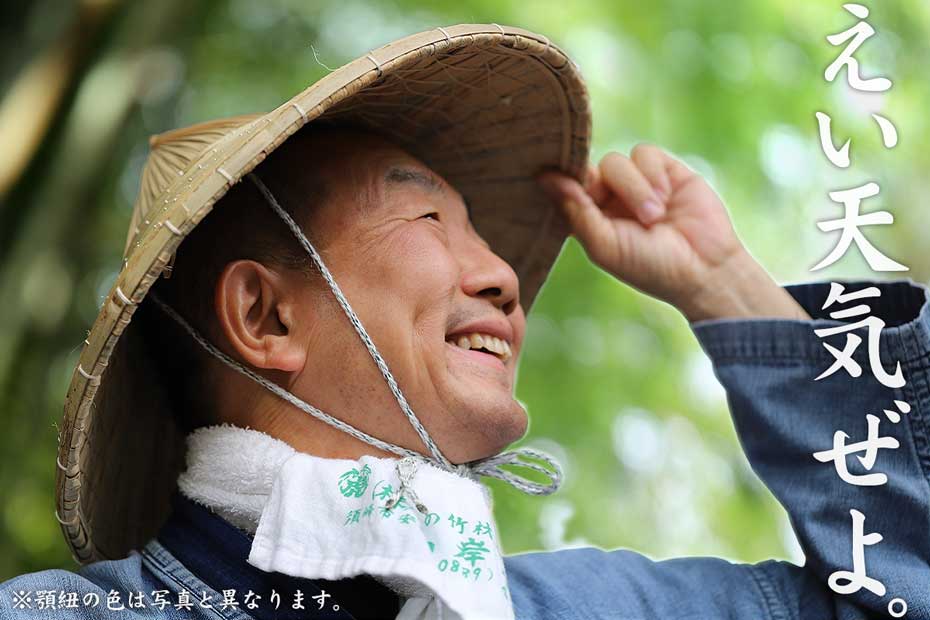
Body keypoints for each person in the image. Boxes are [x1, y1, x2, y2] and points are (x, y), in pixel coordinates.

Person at [3, 24, 929, 620]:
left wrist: (730, 289)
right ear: (264, 314)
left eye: (486, 235)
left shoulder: (596, 610)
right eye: (430, 218)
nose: (502, 278)